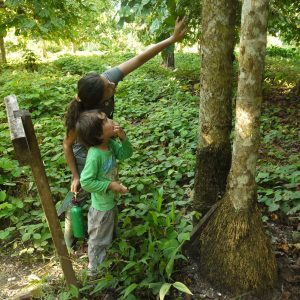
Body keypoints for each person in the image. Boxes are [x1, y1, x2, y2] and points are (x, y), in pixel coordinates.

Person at [63, 17, 186, 249]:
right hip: (83, 155)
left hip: (103, 147)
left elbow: (140, 58)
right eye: (109, 87)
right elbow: (68, 145)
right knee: (81, 192)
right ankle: (71, 234)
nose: (112, 84)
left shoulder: (105, 80)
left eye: (107, 80)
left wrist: (172, 39)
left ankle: (105, 224)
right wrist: (75, 175)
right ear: (98, 104)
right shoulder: (83, 118)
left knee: (105, 187)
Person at [76, 110, 133, 275]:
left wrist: (123, 137)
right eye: (106, 120)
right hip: (101, 208)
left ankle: (107, 259)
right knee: (98, 239)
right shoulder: (95, 155)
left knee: (108, 234)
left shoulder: (110, 144)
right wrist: (110, 185)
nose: (111, 120)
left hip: (110, 203)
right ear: (99, 134)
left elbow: (126, 154)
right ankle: (94, 271)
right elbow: (86, 182)